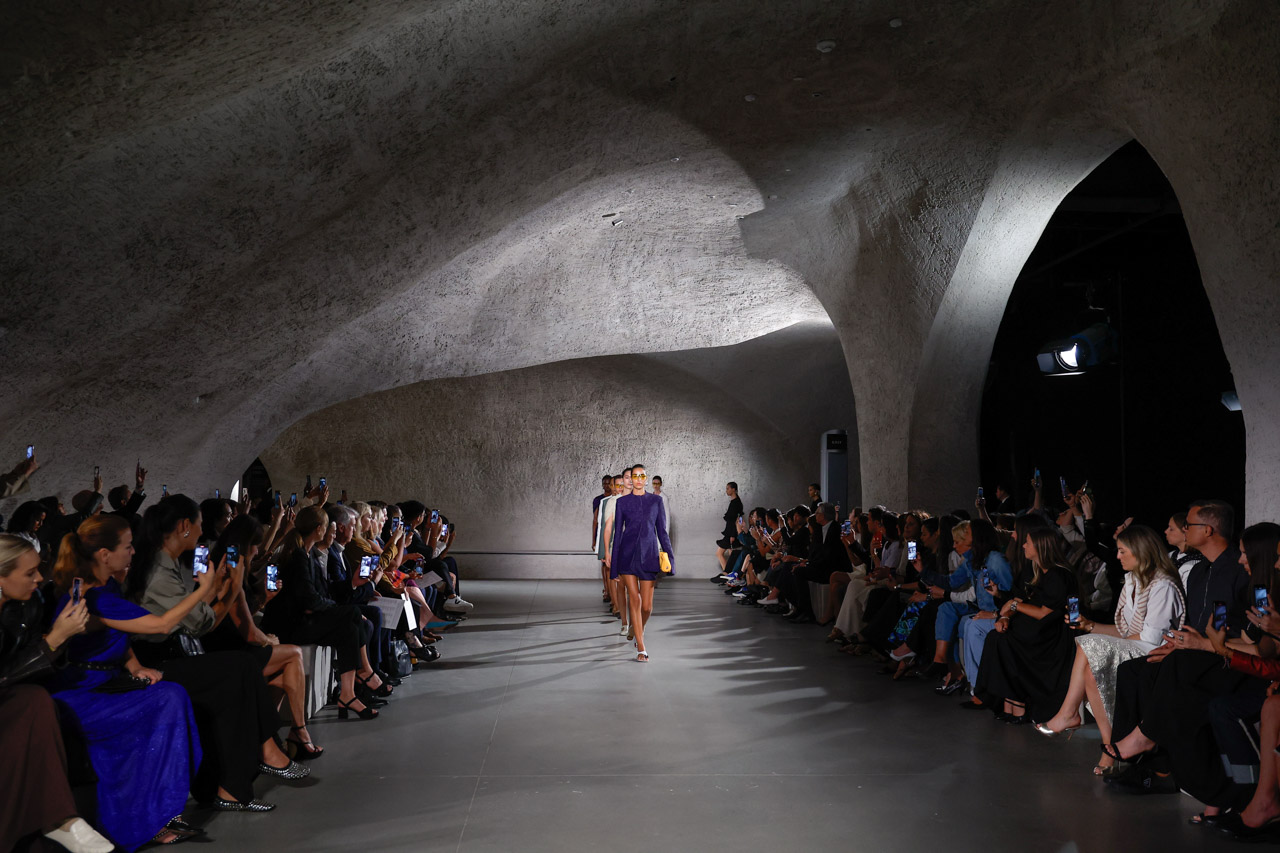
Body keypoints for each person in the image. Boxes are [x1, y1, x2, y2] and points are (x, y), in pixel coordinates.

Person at [128, 494, 306, 811]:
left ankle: (239, 779)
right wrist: (230, 589)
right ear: (184, 526)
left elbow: (200, 614)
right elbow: (201, 624)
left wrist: (217, 589)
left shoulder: (172, 563)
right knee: (240, 667)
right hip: (157, 663)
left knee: (241, 672)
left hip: (174, 654)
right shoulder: (161, 570)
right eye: (198, 526)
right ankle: (261, 756)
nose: (202, 533)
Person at [48, 516, 208, 848]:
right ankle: (150, 818)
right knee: (168, 699)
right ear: (105, 555)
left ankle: (160, 812)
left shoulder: (106, 586)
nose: (134, 551)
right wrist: (206, 588)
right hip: (80, 695)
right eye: (127, 546)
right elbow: (162, 625)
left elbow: (119, 635)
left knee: (169, 695)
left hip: (104, 682)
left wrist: (134, 664)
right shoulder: (94, 597)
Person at [1035, 524, 1186, 773]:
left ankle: (1068, 712)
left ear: (1141, 552)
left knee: (1087, 645)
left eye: (1122, 551)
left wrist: (1096, 637)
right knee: (1090, 672)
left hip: (1156, 654)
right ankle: (1109, 748)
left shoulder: (1163, 586)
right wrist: (1090, 625)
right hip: (1135, 647)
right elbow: (1126, 633)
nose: (1117, 557)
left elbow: (1150, 638)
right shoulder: (1132, 582)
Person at [0, 534, 115, 853]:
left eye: (39, 569)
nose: (39, 578)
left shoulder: (27, 605)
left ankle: (61, 819)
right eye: (29, 573)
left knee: (35, 701)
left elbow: (27, 665)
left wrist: (60, 638)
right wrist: (52, 642)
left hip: (13, 700)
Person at [262, 504, 388, 720]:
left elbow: (322, 592)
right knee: (351, 616)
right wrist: (339, 608)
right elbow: (309, 599)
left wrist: (349, 590)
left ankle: (348, 693)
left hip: (302, 618)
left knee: (349, 625)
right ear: (319, 529)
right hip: (291, 625)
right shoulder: (299, 555)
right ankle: (364, 672)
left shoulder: (307, 554)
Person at [971, 527, 1078, 725]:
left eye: (1027, 542)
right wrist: (1006, 616)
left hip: (1052, 636)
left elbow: (1044, 612)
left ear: (1040, 546)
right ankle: (1009, 699)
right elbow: (1023, 600)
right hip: (1038, 629)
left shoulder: (1058, 575)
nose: (1023, 545)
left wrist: (1013, 606)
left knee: (1004, 641)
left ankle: (1015, 702)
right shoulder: (1037, 571)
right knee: (997, 638)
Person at [604, 464, 673, 662]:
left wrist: (670, 558)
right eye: (635, 475)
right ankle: (641, 647)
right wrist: (614, 566)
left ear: (646, 478)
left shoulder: (656, 501)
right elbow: (617, 537)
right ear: (631, 479)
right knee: (634, 599)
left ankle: (637, 628)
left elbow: (662, 532)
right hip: (627, 556)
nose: (639, 479)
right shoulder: (622, 503)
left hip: (649, 555)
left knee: (647, 607)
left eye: (642, 475)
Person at [715, 481, 743, 575]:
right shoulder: (735, 502)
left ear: (733, 489)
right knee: (732, 555)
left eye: (728, 488)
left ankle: (727, 573)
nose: (726, 490)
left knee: (719, 553)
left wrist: (733, 534)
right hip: (730, 532)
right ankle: (730, 574)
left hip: (731, 533)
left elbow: (736, 520)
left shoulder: (736, 503)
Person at [593, 474, 613, 605]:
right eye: (604, 483)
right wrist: (594, 540)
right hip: (602, 533)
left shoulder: (616, 499)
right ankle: (606, 590)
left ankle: (612, 592)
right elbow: (596, 521)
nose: (606, 485)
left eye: (608, 483)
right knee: (604, 563)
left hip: (613, 533)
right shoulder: (598, 500)